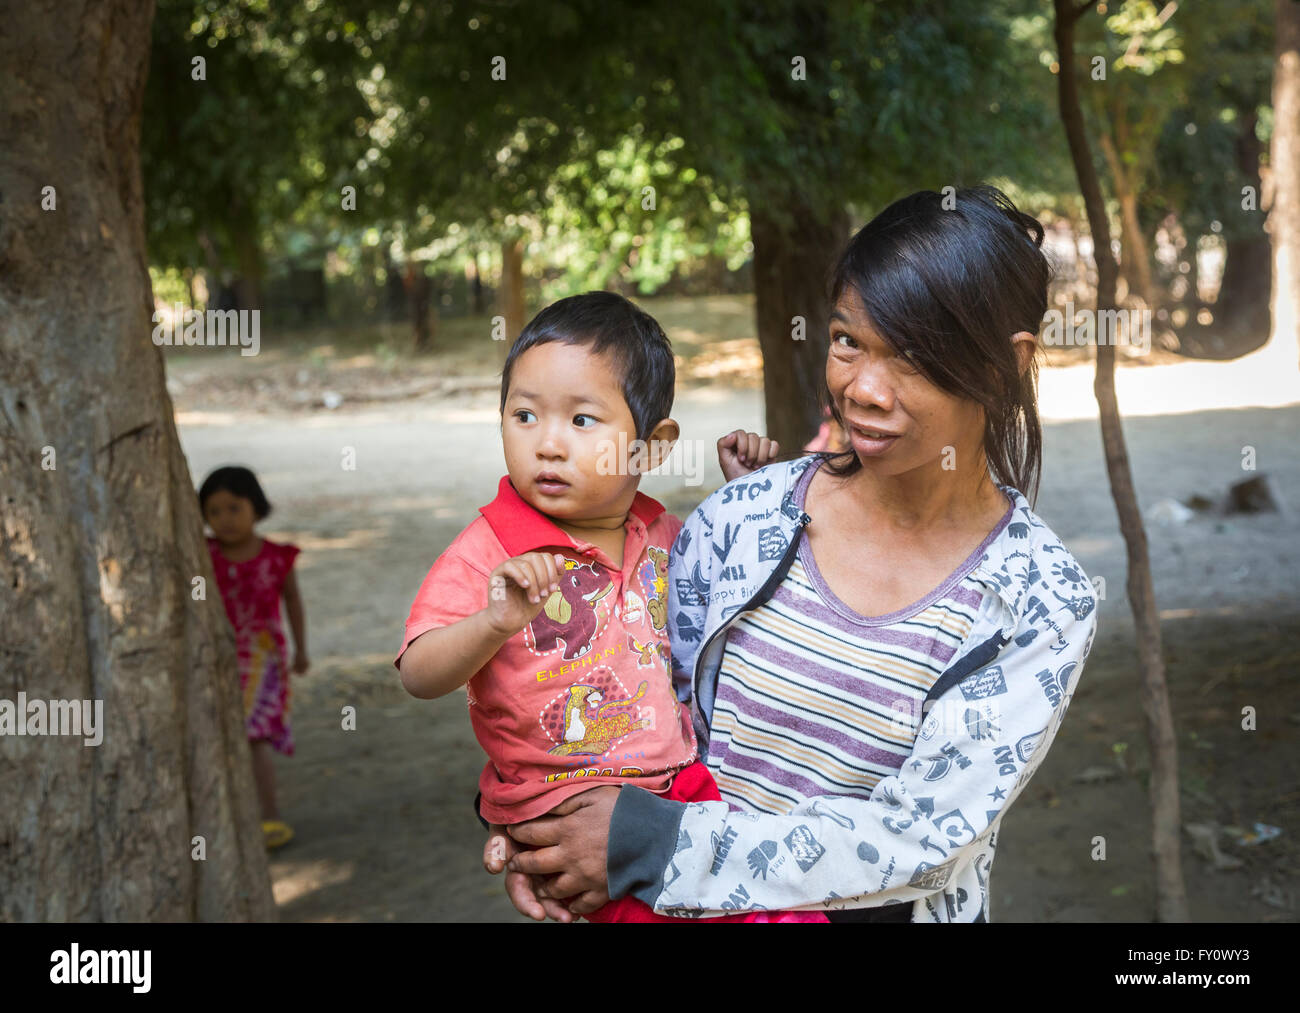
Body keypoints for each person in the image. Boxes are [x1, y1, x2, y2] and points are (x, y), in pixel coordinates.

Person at [495, 185, 1100, 923]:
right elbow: (627, 700)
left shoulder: (1039, 598)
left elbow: (918, 840)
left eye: (914, 356)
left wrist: (643, 845)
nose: (863, 389)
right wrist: (543, 826)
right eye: (848, 340)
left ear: (1009, 364)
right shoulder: (742, 519)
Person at [394, 292, 820, 922]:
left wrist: (746, 496)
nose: (548, 444)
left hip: (681, 790)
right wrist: (493, 622)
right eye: (525, 415)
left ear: (650, 448)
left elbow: (744, 598)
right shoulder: (490, 549)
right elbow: (418, 672)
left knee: (794, 909)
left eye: (582, 420)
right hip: (573, 820)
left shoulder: (668, 537)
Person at [199, 465, 309, 851]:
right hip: (212, 661)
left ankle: (268, 816)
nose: (224, 519)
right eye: (214, 511)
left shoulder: (277, 558)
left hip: (263, 663)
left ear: (256, 508)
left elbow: (292, 602)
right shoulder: (202, 556)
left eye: (234, 508)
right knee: (216, 737)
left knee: (255, 740)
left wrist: (301, 649)